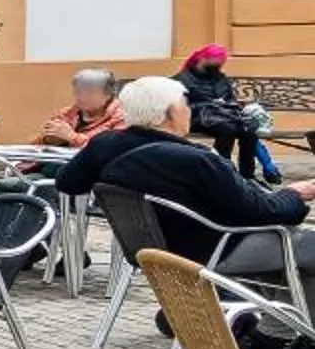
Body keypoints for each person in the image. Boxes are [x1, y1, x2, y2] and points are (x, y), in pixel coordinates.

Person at [57, 75, 315, 287]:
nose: (190, 112)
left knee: (292, 249)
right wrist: (292, 195)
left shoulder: (104, 144)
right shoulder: (197, 160)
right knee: (304, 246)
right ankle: (287, 334)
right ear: (169, 113)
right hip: (214, 250)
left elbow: (67, 183)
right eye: (185, 106)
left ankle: (266, 327)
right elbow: (261, 213)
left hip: (153, 252)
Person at [178, 46, 283, 185]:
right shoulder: (183, 79)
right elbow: (180, 107)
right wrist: (209, 104)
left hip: (223, 116)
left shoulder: (221, 78)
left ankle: (247, 176)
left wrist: (227, 104)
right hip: (198, 118)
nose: (217, 66)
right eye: (214, 62)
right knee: (227, 129)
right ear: (202, 59)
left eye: (220, 63)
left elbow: (231, 100)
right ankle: (222, 173)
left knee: (249, 129)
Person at [39, 69, 124, 152]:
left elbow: (111, 152)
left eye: (89, 93)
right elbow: (35, 147)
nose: (82, 97)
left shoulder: (120, 117)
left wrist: (73, 138)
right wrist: (48, 140)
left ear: (108, 95)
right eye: (78, 92)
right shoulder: (66, 113)